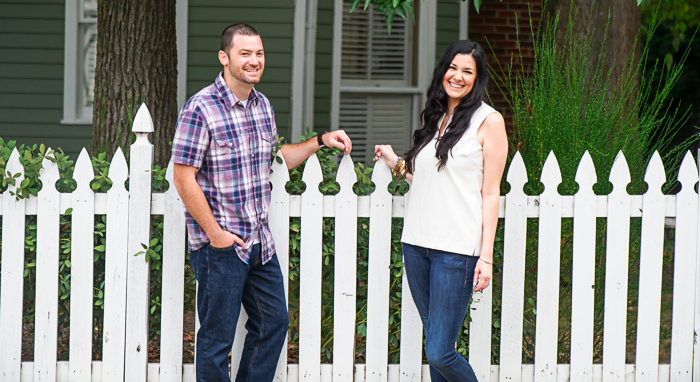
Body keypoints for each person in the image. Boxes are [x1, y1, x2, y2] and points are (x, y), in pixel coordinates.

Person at [172, 23, 352, 382]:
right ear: (224, 58)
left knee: (274, 324)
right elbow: (183, 176)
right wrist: (216, 234)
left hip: (259, 243)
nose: (254, 61)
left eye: (259, 53)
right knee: (215, 341)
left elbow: (275, 156)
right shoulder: (201, 108)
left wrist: (319, 140)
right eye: (245, 53)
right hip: (221, 247)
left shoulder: (262, 105)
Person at [374, 40, 507, 382]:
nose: (458, 77)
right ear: (443, 71)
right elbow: (431, 178)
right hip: (417, 244)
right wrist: (396, 162)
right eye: (453, 68)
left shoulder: (488, 121)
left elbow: (490, 192)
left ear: (477, 79)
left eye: (468, 71)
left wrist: (487, 256)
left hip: (456, 250)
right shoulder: (437, 115)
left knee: (439, 350)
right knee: (435, 345)